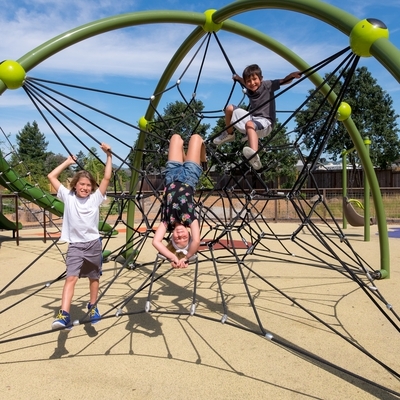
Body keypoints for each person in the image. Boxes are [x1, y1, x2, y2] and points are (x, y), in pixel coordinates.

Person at [48, 143, 113, 329]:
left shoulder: (96, 198)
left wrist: (109, 156)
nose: (84, 187)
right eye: (81, 184)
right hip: (75, 245)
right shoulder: (68, 197)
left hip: (93, 244)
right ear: (75, 185)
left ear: (92, 187)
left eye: (88, 185)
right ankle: (64, 314)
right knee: (71, 278)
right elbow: (51, 176)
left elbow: (107, 176)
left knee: (94, 278)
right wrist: (67, 162)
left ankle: (93, 306)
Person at [213, 64, 302, 170]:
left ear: (261, 79)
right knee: (229, 109)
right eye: (248, 81)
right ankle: (229, 134)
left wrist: (292, 75)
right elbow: (242, 81)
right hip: (253, 120)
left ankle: (254, 155)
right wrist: (237, 78)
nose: (252, 83)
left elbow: (283, 81)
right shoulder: (248, 87)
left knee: (249, 124)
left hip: (266, 123)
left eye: (255, 79)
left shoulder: (267, 85)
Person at [152, 133, 206, 269]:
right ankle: (203, 162)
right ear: (189, 235)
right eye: (184, 238)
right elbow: (197, 241)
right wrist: (187, 257)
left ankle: (188, 157)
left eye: (176, 239)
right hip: (190, 175)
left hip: (171, 175)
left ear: (171, 238)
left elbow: (156, 242)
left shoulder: (166, 223)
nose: (180, 235)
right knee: (195, 138)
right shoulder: (190, 220)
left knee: (176, 138)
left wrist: (171, 256)